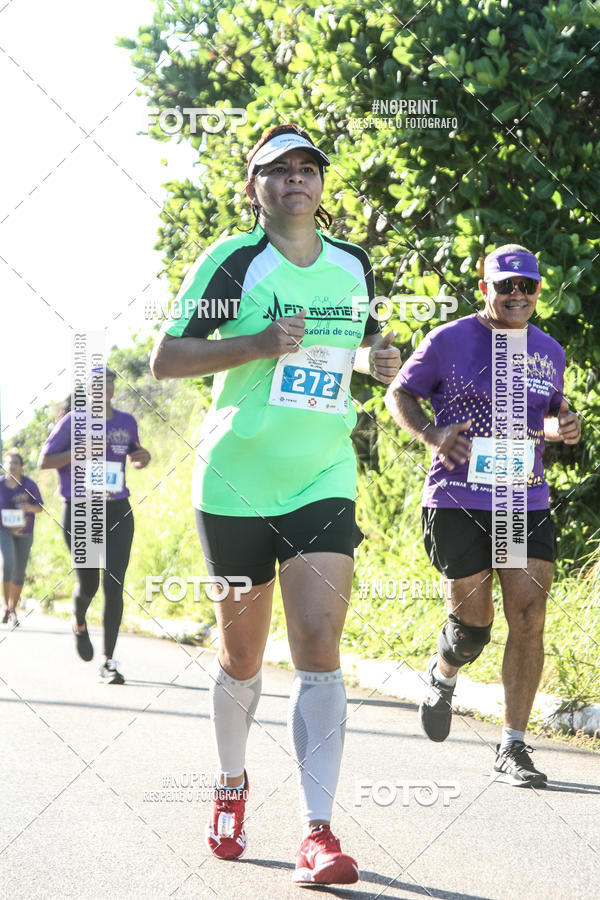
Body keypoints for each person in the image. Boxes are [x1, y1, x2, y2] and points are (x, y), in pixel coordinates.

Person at [150, 123, 400, 884]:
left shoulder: (351, 263)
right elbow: (167, 360)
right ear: (253, 186)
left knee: (320, 645)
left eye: (308, 168)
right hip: (236, 481)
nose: (296, 179)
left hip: (322, 473)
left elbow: (350, 346)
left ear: (322, 185)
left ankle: (318, 832)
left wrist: (372, 359)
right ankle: (230, 785)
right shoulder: (233, 261)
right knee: (243, 657)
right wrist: (258, 342)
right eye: (278, 169)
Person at [385, 244, 581, 787]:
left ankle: (513, 746)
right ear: (485, 288)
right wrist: (430, 433)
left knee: (528, 616)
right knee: (474, 626)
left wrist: (564, 425)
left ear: (538, 290)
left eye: (527, 286)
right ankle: (444, 672)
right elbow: (399, 395)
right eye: (505, 286)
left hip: (522, 498)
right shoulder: (448, 340)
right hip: (458, 498)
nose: (516, 295)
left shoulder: (549, 350)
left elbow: (545, 415)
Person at [38, 367, 151, 683]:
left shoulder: (126, 422)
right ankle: (78, 619)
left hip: (117, 510)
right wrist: (79, 452)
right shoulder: (73, 422)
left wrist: (143, 457)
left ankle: (109, 661)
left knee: (114, 585)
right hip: (81, 511)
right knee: (88, 584)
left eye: (108, 384)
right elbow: (44, 461)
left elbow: (136, 456)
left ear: (114, 389)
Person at [0, 450, 44, 626]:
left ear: (21, 465)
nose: (12, 466)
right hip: (4, 531)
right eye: (8, 463)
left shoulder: (29, 485)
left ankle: (13, 608)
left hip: (25, 532)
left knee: (19, 570)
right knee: (7, 564)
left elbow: (40, 507)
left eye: (15, 463)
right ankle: (5, 606)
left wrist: (28, 508)